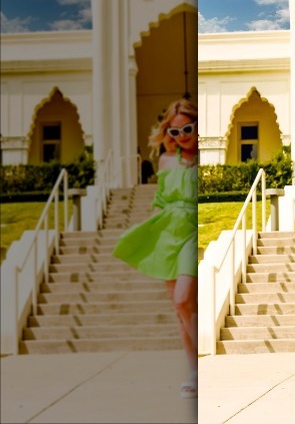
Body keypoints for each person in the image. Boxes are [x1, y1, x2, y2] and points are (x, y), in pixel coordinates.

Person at [113, 99, 199, 398]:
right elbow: (161, 200)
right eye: (174, 132)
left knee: (184, 298)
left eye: (187, 128)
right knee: (179, 309)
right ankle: (194, 370)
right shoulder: (166, 161)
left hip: (191, 230)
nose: (181, 136)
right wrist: (151, 231)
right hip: (167, 232)